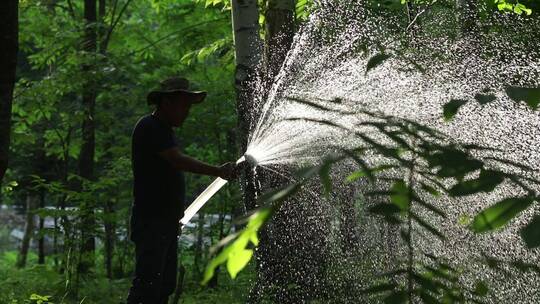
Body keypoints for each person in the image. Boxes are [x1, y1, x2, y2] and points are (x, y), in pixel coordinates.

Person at [126, 77, 238, 304]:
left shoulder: (163, 129)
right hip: (152, 221)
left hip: (164, 222)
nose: (187, 112)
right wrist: (218, 170)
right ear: (167, 103)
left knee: (164, 286)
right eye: (184, 106)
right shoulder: (150, 127)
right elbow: (177, 160)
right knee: (147, 286)